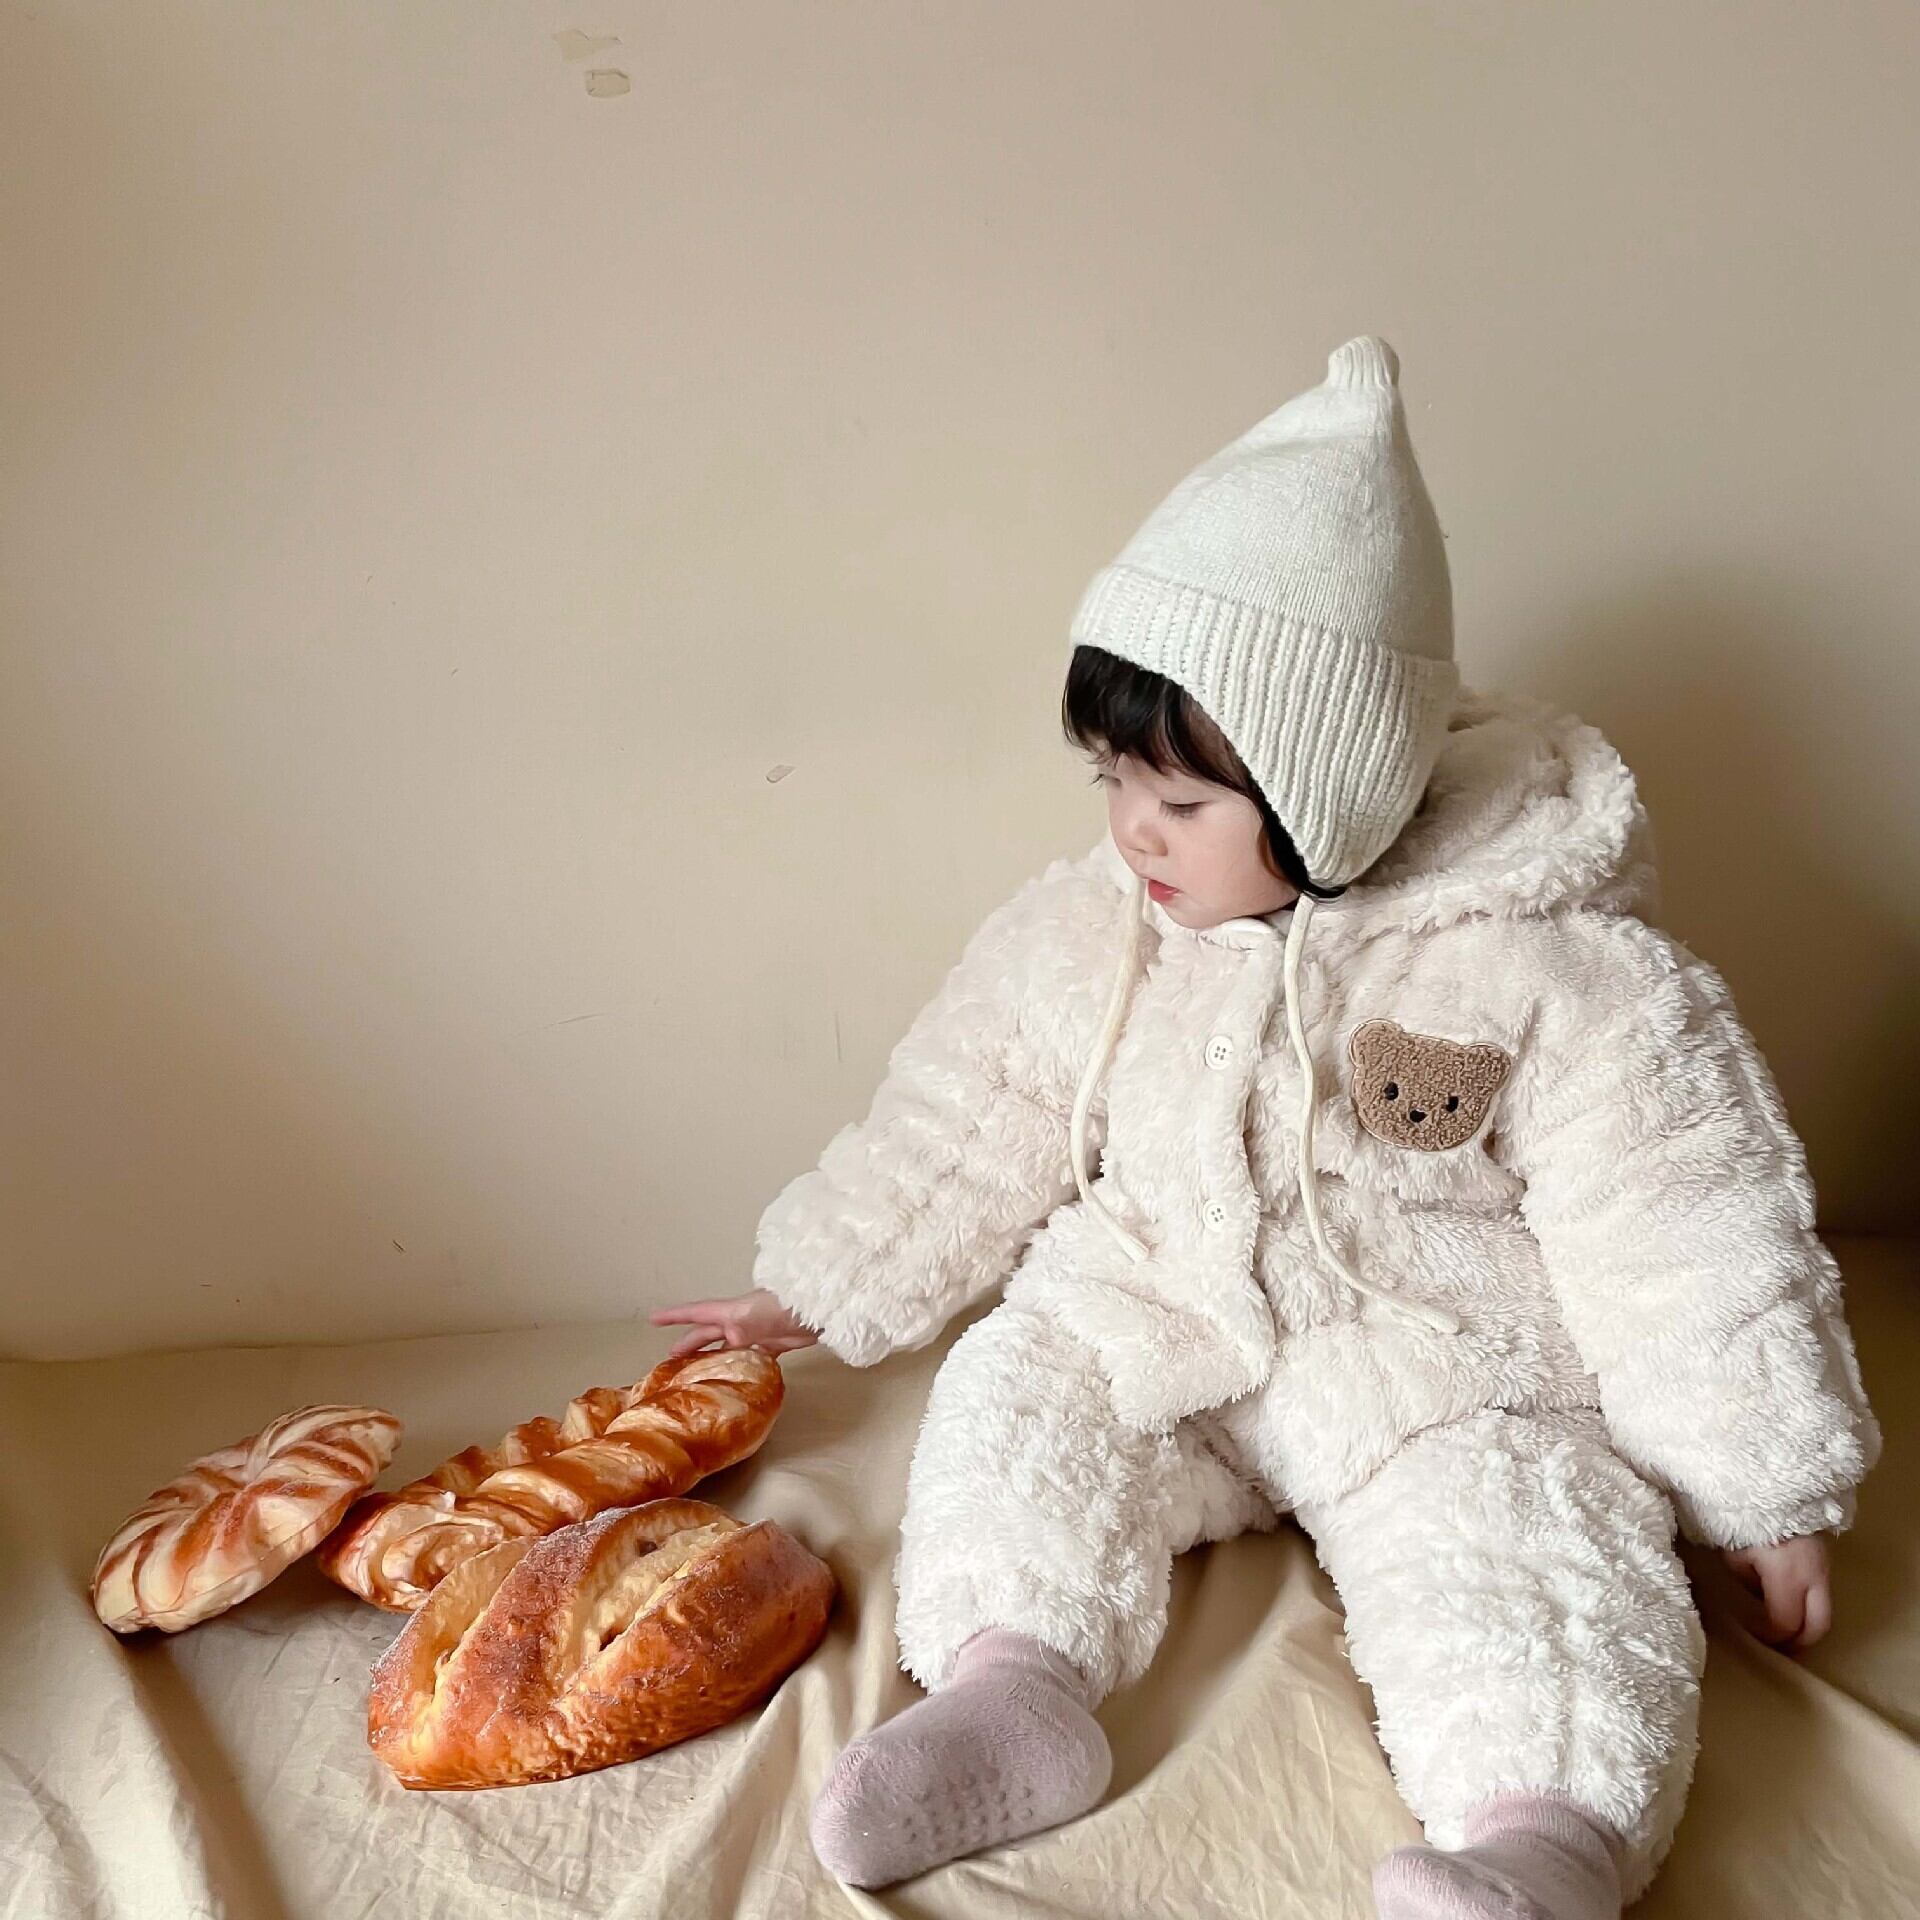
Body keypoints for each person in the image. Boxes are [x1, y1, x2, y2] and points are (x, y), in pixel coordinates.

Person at [649, 336, 1879, 1918]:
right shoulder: (1090, 931)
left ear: (1329, 796)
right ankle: (1014, 1684)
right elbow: (967, 1111)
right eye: (1112, 779)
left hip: (1432, 1366)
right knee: (1021, 1395)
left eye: (1183, 802)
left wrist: (1766, 1485)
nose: (1132, 832)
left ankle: (1541, 1835)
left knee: (1529, 1537)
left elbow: (1688, 1220)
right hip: (1160, 1314)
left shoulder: (1548, 973)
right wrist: (819, 1281)